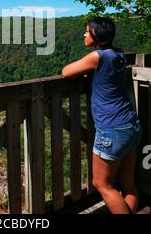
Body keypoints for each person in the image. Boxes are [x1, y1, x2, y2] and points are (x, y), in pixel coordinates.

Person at [62, 17, 141, 214]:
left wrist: (88, 72)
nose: (84, 34)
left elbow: (66, 72)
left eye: (87, 31)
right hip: (130, 124)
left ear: (96, 36)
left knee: (102, 185)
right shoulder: (118, 54)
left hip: (111, 129)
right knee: (128, 184)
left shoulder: (97, 57)